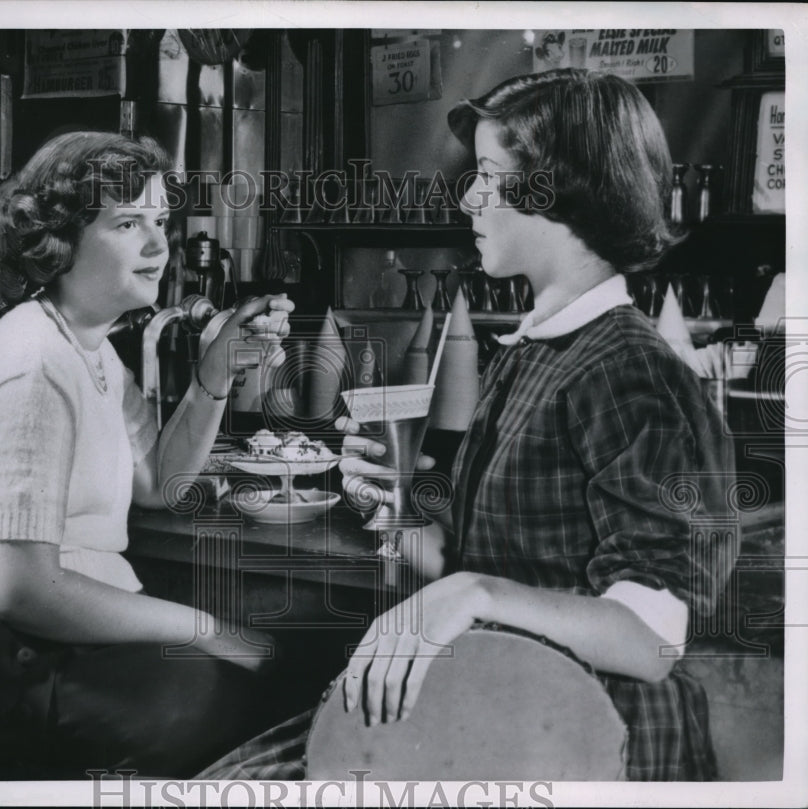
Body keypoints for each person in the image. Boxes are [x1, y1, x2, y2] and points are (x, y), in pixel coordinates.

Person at [198, 69, 735, 782]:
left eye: (487, 174)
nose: (469, 197)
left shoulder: (631, 373)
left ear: (555, 189)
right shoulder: (536, 350)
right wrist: (395, 509)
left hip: (594, 741)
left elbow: (649, 641)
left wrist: (475, 592)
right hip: (500, 703)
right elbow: (479, 563)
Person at [0, 131, 295, 779]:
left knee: (264, 667)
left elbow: (160, 482)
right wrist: (201, 626)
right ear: (57, 241)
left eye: (160, 221)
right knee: (240, 687)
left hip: (47, 640)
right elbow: (25, 591)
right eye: (128, 223)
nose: (158, 245)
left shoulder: (88, 346)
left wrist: (215, 372)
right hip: (1, 654)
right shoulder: (33, 368)